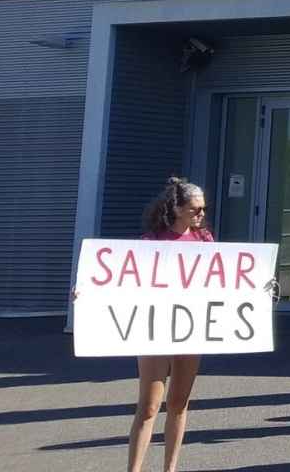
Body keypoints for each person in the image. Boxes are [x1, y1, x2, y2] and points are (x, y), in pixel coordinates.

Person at [123, 178, 215, 472]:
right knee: (149, 405)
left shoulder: (205, 240)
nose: (201, 214)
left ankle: (170, 468)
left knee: (179, 403)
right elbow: (124, 281)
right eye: (195, 209)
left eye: (203, 209)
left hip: (191, 327)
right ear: (176, 209)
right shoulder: (151, 242)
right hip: (156, 328)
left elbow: (221, 281)